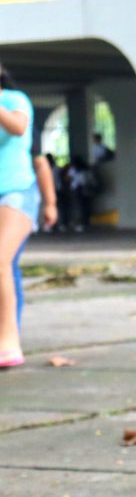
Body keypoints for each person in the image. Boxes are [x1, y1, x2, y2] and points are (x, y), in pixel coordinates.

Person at [0, 62, 57, 368]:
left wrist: (50, 203)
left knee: (1, 262)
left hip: (16, 192)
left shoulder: (15, 100)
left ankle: (9, 342)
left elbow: (18, 128)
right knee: (7, 267)